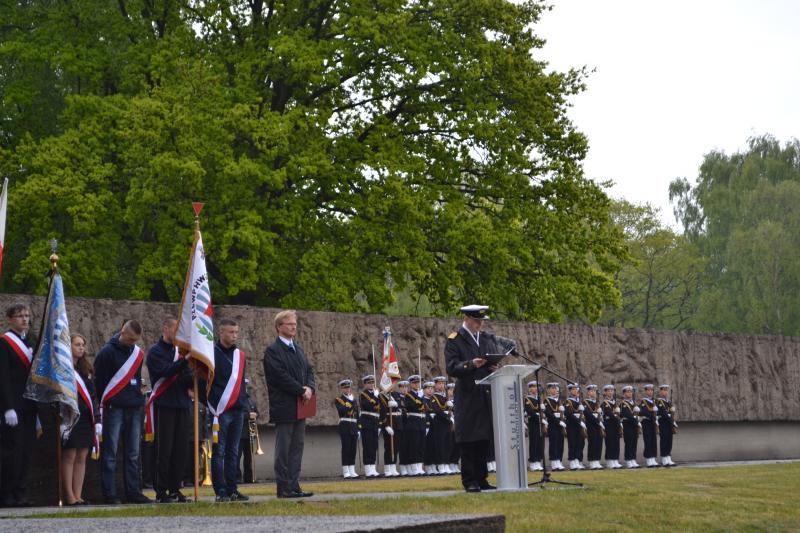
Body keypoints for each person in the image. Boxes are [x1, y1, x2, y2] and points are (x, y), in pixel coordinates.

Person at [94, 319, 152, 504]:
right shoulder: (107, 353)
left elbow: (136, 379)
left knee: (134, 453)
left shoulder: (137, 354)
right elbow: (100, 383)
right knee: (110, 453)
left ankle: (134, 492)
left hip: (133, 408)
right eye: (130, 339)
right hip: (114, 408)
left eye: (136, 340)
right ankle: (110, 493)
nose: (133, 343)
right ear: (122, 333)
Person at [444, 304, 501, 493]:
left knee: (483, 439)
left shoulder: (485, 339)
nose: (480, 325)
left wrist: (494, 367)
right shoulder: (455, 340)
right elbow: (451, 368)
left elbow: (491, 359)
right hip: (467, 395)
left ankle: (482, 478)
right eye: (477, 321)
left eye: (481, 321)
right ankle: (469, 480)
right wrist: (471, 364)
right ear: (466, 319)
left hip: (484, 394)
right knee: (469, 439)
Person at [263, 310, 315, 498]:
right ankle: (283, 488)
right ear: (279, 327)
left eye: (295, 324)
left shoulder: (298, 349)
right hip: (284, 407)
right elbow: (280, 377)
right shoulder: (273, 351)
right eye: (289, 324)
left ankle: (294, 485)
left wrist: (310, 387)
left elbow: (309, 370)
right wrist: (301, 390)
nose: (294, 327)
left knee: (296, 448)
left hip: (301, 406)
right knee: (283, 449)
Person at [145, 317, 193, 503]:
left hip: (182, 404)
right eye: (175, 330)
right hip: (164, 405)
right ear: (166, 328)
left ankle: (175, 488)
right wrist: (184, 361)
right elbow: (165, 372)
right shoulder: (156, 352)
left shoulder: (180, 353)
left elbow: (185, 378)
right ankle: (161, 490)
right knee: (164, 450)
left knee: (180, 450)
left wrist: (195, 375)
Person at [207, 318, 250, 502]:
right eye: (231, 332)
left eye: (236, 332)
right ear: (221, 332)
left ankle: (232, 488)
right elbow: (204, 382)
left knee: (234, 452)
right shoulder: (211, 354)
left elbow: (241, 383)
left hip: (238, 409)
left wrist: (245, 404)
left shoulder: (239, 356)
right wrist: (211, 403)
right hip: (220, 410)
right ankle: (221, 490)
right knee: (219, 451)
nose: (234, 336)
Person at [0, 304, 37, 507]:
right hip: (13, 407)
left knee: (26, 451)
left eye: (26, 315)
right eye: (19, 316)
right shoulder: (4, 343)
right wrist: (7, 407)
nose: (24, 319)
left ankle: (21, 492)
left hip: (29, 405)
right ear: (9, 319)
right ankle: (7, 493)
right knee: (12, 451)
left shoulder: (31, 342)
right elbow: (3, 377)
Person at [61, 334, 100, 505]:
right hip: (70, 416)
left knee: (82, 455)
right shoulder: (63, 367)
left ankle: (78, 495)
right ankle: (69, 495)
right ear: (68, 346)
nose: (81, 347)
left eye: (83, 345)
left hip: (86, 416)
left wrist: (97, 417)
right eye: (77, 344)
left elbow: (93, 395)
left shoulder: (86, 368)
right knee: (70, 454)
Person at [334, 379, 359, 479]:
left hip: (353, 426)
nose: (347, 389)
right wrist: (348, 405)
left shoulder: (354, 400)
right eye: (345, 388)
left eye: (348, 388)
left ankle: (352, 469)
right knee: (346, 448)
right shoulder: (339, 400)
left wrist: (358, 428)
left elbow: (357, 414)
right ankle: (345, 470)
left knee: (353, 449)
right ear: (342, 389)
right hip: (345, 425)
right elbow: (341, 410)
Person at [402, 375, 426, 476]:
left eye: (418, 383)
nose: (417, 385)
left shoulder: (421, 394)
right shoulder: (408, 395)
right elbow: (411, 406)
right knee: (414, 446)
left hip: (421, 422)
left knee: (421, 446)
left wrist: (420, 399)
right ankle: (414, 467)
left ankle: (419, 466)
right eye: (414, 383)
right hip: (413, 422)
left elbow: (425, 406)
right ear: (411, 384)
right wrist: (419, 399)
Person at [358, 374, 381, 477]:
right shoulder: (363, 395)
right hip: (367, 422)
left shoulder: (377, 394)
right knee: (367, 446)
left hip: (375, 422)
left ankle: (373, 467)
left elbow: (379, 407)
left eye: (372, 382)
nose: (371, 384)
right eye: (369, 383)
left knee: (374, 446)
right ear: (365, 384)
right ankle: (368, 468)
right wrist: (375, 397)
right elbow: (367, 405)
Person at [238, 380, 260, 483]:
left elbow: (257, 413)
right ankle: (236, 477)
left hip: (249, 433)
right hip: (239, 433)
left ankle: (249, 477)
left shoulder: (251, 400)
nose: (245, 387)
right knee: (237, 456)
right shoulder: (237, 400)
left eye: (246, 385)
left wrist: (256, 415)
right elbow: (237, 415)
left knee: (249, 457)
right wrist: (248, 415)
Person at [430, 376, 453, 475]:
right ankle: (440, 464)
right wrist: (447, 416)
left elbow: (450, 409)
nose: (441, 385)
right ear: (435, 385)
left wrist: (451, 406)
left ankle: (446, 463)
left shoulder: (445, 397)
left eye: (443, 383)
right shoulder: (434, 397)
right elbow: (437, 410)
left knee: (448, 444)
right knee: (440, 444)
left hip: (447, 423)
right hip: (439, 423)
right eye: (439, 383)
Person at [379, 383, 401, 477]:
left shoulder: (396, 394)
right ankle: (387, 468)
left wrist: (396, 404)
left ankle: (393, 466)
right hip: (388, 422)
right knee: (388, 446)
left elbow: (401, 405)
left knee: (395, 446)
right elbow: (381, 411)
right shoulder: (381, 396)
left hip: (396, 423)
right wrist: (386, 425)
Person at [543, 382, 566, 471]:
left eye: (556, 388)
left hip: (560, 425)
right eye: (553, 388)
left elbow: (562, 414)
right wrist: (558, 422)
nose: (555, 390)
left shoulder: (559, 401)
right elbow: (549, 413)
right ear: (549, 390)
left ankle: (559, 460)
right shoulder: (547, 401)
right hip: (553, 425)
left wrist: (563, 419)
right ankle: (554, 462)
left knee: (560, 443)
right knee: (554, 443)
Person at [582, 384, 604, 470]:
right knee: (593, 443)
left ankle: (597, 460)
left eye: (594, 391)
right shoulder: (585, 403)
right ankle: (592, 461)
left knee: (599, 443)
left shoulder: (597, 403)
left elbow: (600, 415)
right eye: (591, 391)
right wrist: (598, 421)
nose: (593, 393)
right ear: (588, 392)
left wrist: (601, 414)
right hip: (591, 425)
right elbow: (588, 414)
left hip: (598, 426)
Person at [600, 384, 623, 469]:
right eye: (608, 391)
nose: (610, 392)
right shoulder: (604, 404)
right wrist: (616, 415)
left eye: (612, 390)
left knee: (616, 443)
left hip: (615, 425)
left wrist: (618, 416)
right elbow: (609, 414)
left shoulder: (615, 403)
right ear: (605, 392)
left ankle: (615, 460)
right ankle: (609, 461)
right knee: (610, 443)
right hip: (609, 425)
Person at [565, 383, 586, 470]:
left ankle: (577, 460)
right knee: (572, 443)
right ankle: (572, 461)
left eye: (576, 389)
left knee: (579, 443)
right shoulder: (568, 401)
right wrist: (578, 421)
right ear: (570, 391)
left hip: (579, 426)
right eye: (573, 389)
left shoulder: (580, 401)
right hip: (572, 425)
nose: (575, 391)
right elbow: (569, 414)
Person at [524, 381, 544, 472]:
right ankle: (533, 462)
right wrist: (539, 417)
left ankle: (538, 461)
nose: (536, 389)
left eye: (537, 387)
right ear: (530, 388)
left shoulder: (539, 398)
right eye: (534, 387)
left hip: (540, 423)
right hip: (533, 423)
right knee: (534, 442)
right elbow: (530, 411)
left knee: (539, 442)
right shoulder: (528, 399)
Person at [656, 384, 677, 467]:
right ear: (660, 391)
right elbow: (662, 412)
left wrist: (672, 417)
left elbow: (670, 412)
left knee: (669, 440)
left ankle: (668, 457)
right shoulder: (659, 401)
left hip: (669, 423)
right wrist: (669, 416)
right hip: (663, 423)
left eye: (666, 390)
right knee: (664, 440)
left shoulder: (668, 402)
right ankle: (664, 458)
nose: (665, 392)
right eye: (663, 390)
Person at [639, 384, 659, 467]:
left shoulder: (655, 401)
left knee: (653, 441)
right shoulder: (644, 401)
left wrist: (657, 414)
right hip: (647, 423)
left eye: (651, 390)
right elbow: (642, 412)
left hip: (653, 423)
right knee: (648, 440)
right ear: (646, 391)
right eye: (648, 390)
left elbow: (659, 412)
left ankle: (653, 458)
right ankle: (648, 458)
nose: (650, 392)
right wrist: (652, 415)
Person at [620, 385, 640, 468]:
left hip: (634, 425)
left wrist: (637, 415)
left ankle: (633, 459)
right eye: (628, 392)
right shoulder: (623, 404)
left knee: (634, 442)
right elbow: (627, 414)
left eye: (631, 392)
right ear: (624, 394)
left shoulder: (633, 403)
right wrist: (635, 420)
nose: (630, 393)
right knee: (629, 443)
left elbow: (636, 414)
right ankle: (628, 460)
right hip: (628, 425)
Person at [446, 383, 460, 474]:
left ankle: (454, 463)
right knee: (449, 445)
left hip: (457, 425)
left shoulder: (458, 400)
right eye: (450, 389)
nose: (452, 391)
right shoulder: (445, 401)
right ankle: (449, 463)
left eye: (453, 389)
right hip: (449, 426)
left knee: (457, 445)